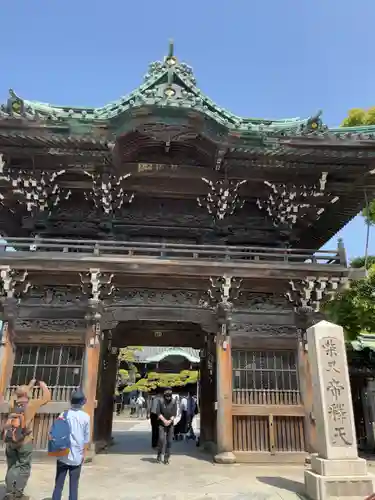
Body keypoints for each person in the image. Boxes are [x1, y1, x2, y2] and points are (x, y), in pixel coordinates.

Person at [4, 379, 51, 499]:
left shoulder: (12, 403)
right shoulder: (31, 404)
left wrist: (27, 387)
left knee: (12, 466)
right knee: (24, 466)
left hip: (11, 441)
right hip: (25, 440)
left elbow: (18, 395)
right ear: (27, 394)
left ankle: (9, 492)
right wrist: (43, 386)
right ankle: (18, 493)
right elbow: (47, 397)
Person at [51, 388, 90, 500]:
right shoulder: (86, 417)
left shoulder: (63, 414)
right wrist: (84, 453)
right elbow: (86, 438)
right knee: (74, 485)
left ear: (70, 401)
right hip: (77, 455)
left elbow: (56, 431)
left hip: (63, 453)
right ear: (83, 402)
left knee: (58, 484)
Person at [155, 388, 177, 465]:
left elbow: (174, 414)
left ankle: (166, 457)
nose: (168, 397)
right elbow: (158, 412)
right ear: (164, 396)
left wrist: (169, 421)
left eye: (170, 396)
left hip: (170, 423)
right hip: (161, 423)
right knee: (161, 439)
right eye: (167, 396)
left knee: (169, 441)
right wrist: (164, 421)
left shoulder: (174, 402)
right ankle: (159, 454)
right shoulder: (160, 401)